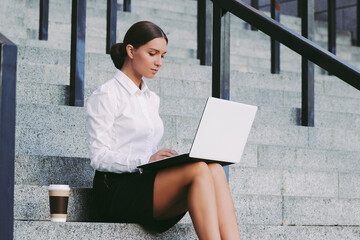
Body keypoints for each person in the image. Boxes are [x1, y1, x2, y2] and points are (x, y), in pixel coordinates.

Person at [87, 21, 241, 240]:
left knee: (214, 168)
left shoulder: (151, 98)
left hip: (147, 183)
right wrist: (145, 160)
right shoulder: (106, 95)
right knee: (198, 169)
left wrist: (165, 162)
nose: (159, 62)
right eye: (152, 53)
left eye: (163, 55)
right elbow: (99, 157)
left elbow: (148, 149)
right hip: (115, 189)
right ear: (131, 51)